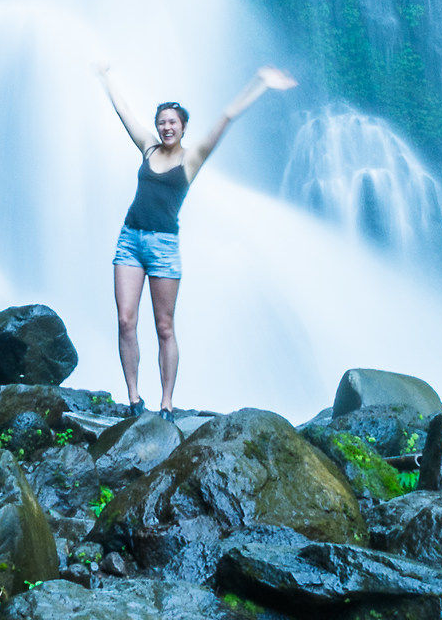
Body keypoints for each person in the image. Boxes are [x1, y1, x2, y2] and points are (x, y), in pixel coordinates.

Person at [92, 58, 296, 416]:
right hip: (130, 240)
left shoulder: (192, 158)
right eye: (161, 122)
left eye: (172, 122)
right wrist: (106, 77)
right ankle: (134, 399)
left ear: (183, 127)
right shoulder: (148, 148)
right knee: (126, 320)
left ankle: (167, 402)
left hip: (163, 247)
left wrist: (260, 81)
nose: (166, 127)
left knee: (164, 326)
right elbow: (124, 113)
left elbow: (228, 116)